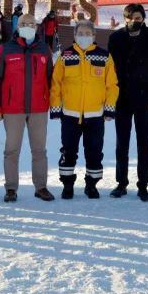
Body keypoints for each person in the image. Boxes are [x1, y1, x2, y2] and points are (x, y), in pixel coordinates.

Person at [50, 20, 118, 199]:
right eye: (81, 33)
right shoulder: (65, 56)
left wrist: (109, 109)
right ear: (75, 35)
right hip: (70, 115)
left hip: (95, 115)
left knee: (94, 151)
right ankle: (67, 185)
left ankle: (91, 185)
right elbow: (56, 84)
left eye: (88, 33)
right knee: (68, 150)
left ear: (94, 36)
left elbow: (112, 85)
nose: (84, 37)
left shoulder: (104, 56)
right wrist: (56, 108)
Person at [0, 13, 55, 202]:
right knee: (12, 150)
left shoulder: (44, 49)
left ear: (36, 27)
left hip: (38, 108)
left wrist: (52, 103)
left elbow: (51, 79)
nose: (28, 26)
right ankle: (11, 188)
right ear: (17, 27)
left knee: (39, 150)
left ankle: (41, 187)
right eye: (23, 23)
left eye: (31, 23)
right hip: (13, 109)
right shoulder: (6, 49)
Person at [107, 3, 148, 201]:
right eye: (130, 18)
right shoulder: (115, 37)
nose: (134, 22)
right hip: (121, 97)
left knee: (143, 143)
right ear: (125, 19)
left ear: (143, 18)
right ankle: (121, 183)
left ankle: (143, 185)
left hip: (145, 98)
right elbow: (110, 69)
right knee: (121, 143)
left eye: (138, 18)